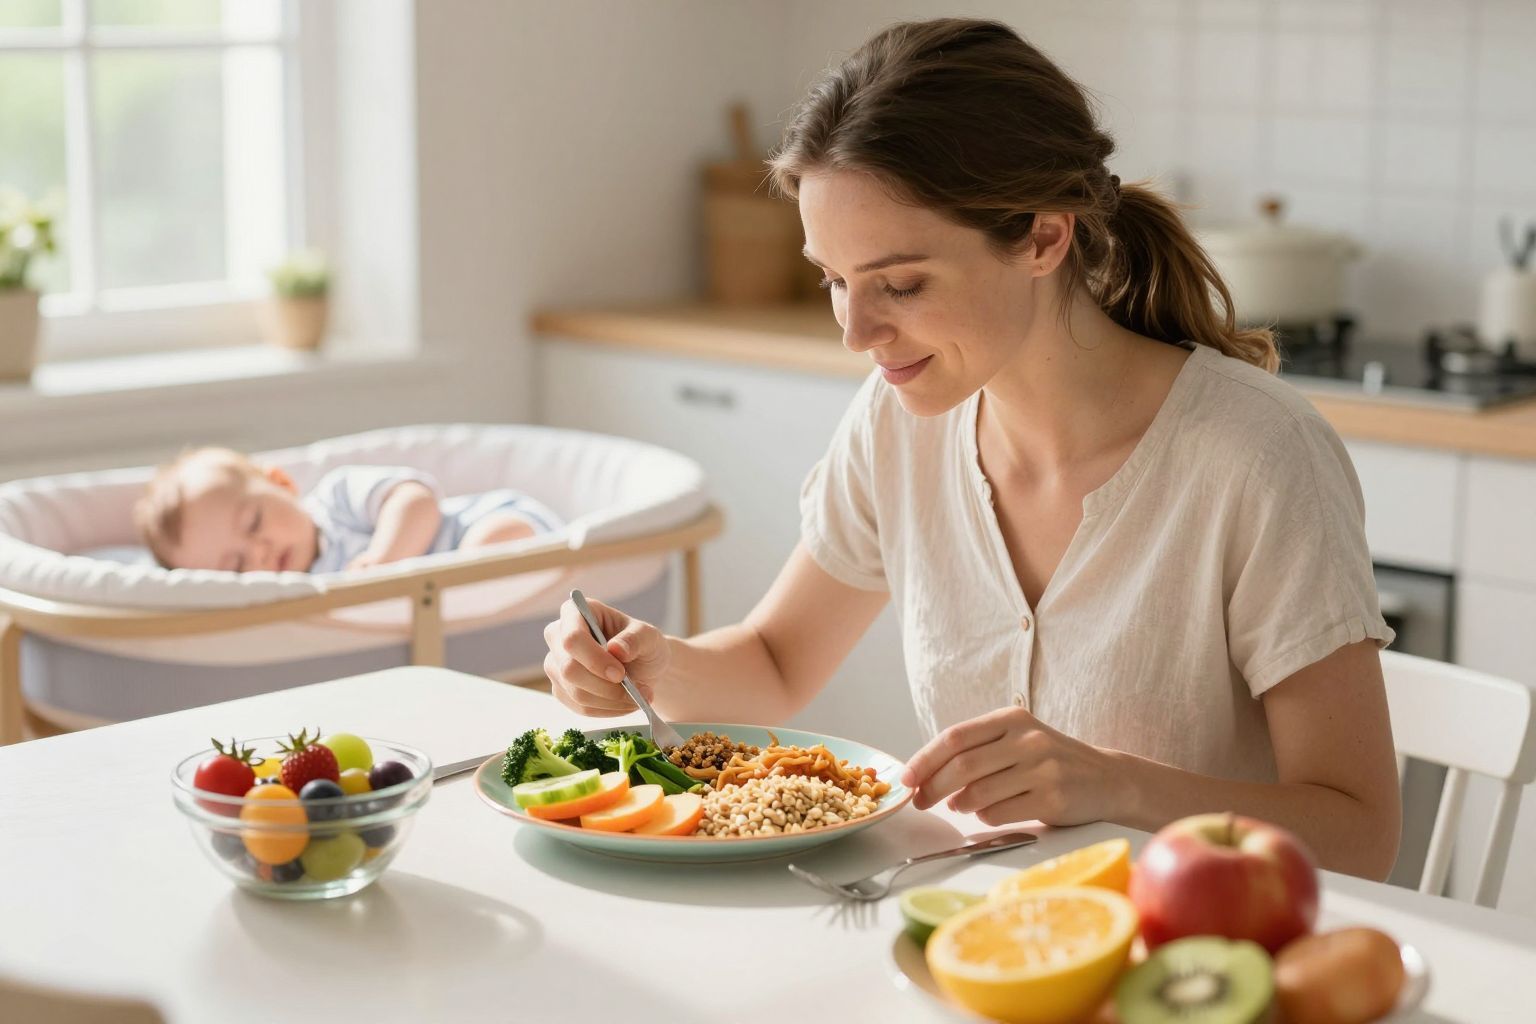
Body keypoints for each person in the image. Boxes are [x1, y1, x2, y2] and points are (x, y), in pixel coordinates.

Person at [540, 18, 1401, 878]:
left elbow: (1362, 836)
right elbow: (775, 661)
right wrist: (652, 666)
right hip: (972, 921)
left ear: (1043, 237)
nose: (855, 332)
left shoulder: (1258, 456)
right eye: (833, 279)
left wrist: (1116, 784)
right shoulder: (896, 422)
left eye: (901, 283)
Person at [135, 446, 561, 574]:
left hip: (479, 526)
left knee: (489, 546)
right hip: (443, 615)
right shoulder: (298, 598)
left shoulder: (335, 500)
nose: (259, 552)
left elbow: (415, 500)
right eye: (236, 566)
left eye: (254, 523)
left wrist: (383, 560)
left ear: (281, 483)